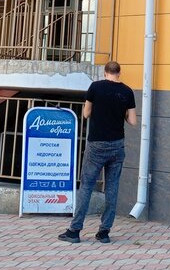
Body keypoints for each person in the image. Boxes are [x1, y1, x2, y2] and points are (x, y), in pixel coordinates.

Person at [58, 60, 137, 244]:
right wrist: (122, 114)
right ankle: (104, 232)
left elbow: (86, 113)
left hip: (96, 145)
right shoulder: (127, 91)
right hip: (117, 146)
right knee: (112, 189)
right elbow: (132, 121)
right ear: (119, 73)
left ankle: (74, 231)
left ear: (105, 72)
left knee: (86, 186)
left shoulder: (95, 87)